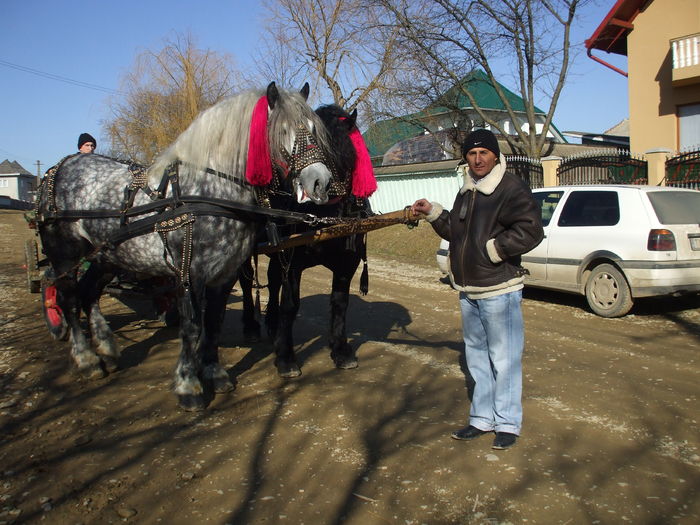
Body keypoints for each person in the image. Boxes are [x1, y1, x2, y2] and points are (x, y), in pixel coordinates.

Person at [411, 129, 543, 450]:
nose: (478, 158)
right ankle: (482, 418)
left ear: (495, 156)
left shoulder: (510, 188)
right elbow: (456, 232)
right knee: (478, 357)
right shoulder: (467, 190)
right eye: (472, 153)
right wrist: (432, 212)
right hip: (469, 290)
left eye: (484, 152)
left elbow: (531, 230)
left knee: (505, 357)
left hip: (499, 287)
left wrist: (493, 250)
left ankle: (508, 423)